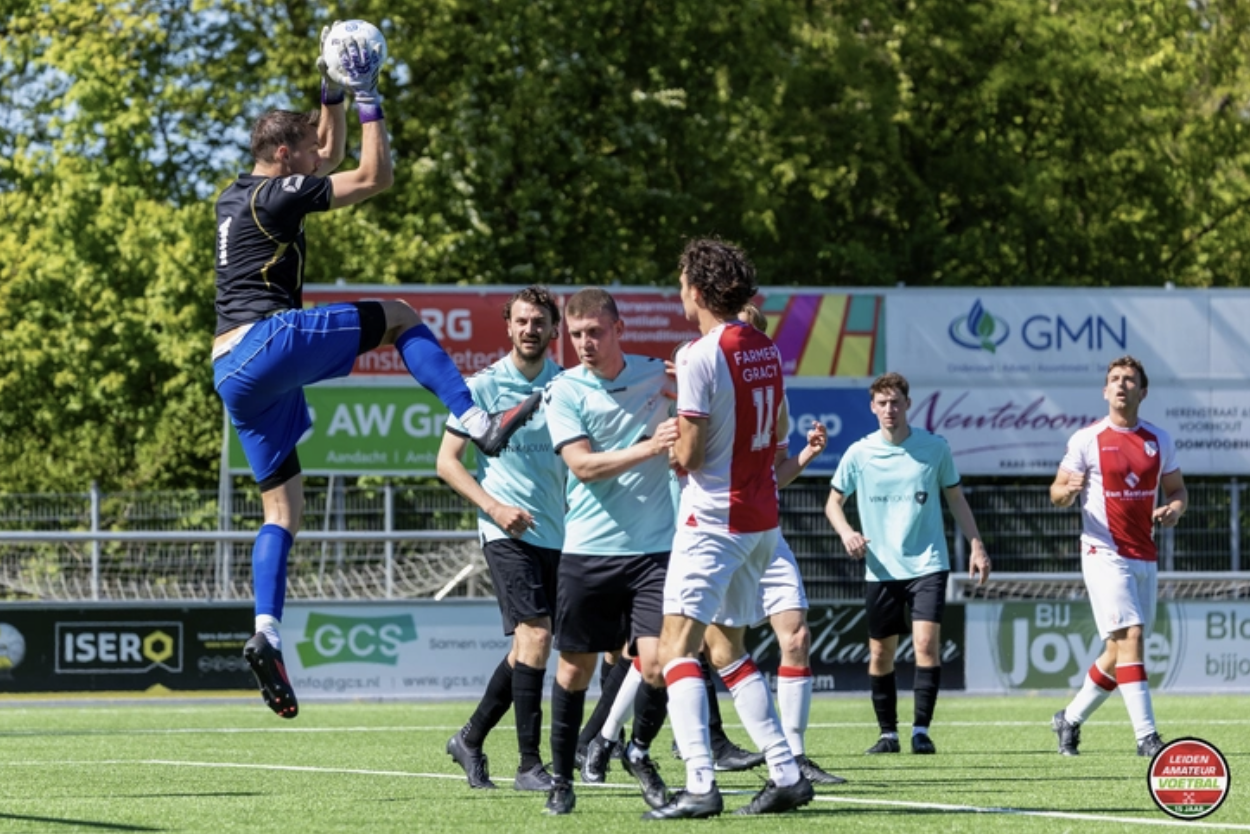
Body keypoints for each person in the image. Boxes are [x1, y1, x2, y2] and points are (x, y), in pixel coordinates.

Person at [211, 29, 540, 719]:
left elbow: (323, 151)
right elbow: (369, 175)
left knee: (282, 511)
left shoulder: (237, 195)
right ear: (282, 156)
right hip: (265, 341)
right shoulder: (276, 198)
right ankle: (476, 419)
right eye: (302, 153)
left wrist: (325, 81)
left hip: (231, 373)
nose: (315, 159)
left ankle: (266, 630)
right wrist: (364, 96)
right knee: (398, 314)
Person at [648, 238, 814, 821]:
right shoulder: (765, 347)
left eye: (681, 282)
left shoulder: (698, 355)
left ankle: (699, 783)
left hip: (713, 519)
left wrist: (671, 437)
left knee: (675, 648)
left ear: (696, 289)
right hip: (760, 521)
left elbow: (690, 457)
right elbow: (766, 436)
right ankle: (786, 770)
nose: (679, 292)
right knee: (726, 647)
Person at [541, 288, 680, 815]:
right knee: (573, 670)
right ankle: (560, 778)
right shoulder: (565, 389)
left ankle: (638, 752)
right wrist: (651, 445)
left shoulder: (658, 374)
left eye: (594, 332)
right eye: (575, 335)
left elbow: (701, 408)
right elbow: (582, 466)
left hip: (654, 552)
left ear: (619, 329)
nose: (584, 343)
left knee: (659, 665)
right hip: (588, 551)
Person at [437, 287, 566, 791]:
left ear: (554, 329)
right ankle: (530, 766)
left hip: (559, 532)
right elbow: (446, 462)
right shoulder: (483, 386)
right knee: (535, 636)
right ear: (508, 327)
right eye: (522, 321)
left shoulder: (569, 385)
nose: (530, 329)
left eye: (540, 321)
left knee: (531, 648)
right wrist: (493, 506)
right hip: (503, 530)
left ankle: (469, 738)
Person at [824, 372, 990, 756]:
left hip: (928, 563)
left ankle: (920, 731)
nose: (889, 410)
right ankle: (888, 734)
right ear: (872, 407)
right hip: (880, 568)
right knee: (881, 653)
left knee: (925, 645)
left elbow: (956, 500)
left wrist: (977, 546)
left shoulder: (934, 448)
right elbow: (833, 503)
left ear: (907, 405)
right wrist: (847, 532)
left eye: (895, 402)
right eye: (882, 403)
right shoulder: (859, 452)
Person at [1048, 356, 1186, 759]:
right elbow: (1055, 492)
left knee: (1117, 651)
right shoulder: (1086, 439)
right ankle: (1147, 737)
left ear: (1143, 392)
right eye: (1114, 379)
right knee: (1133, 638)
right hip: (1103, 551)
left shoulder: (1159, 440)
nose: (1121, 385)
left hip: (1145, 553)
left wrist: (1174, 509)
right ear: (1105, 390)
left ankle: (1069, 719)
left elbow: (1177, 491)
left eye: (1129, 380)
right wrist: (1067, 491)